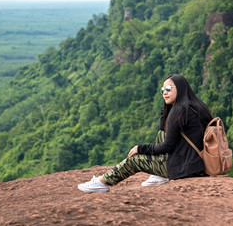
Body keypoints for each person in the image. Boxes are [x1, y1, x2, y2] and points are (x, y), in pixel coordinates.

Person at [78, 74, 213, 193]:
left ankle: (102, 182)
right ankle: (160, 175)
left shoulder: (179, 111)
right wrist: (166, 107)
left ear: (180, 88)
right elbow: (164, 130)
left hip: (184, 168)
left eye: (168, 89)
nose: (164, 93)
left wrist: (140, 148)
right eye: (162, 90)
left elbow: (167, 147)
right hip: (198, 164)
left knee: (134, 160)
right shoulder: (197, 106)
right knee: (162, 134)